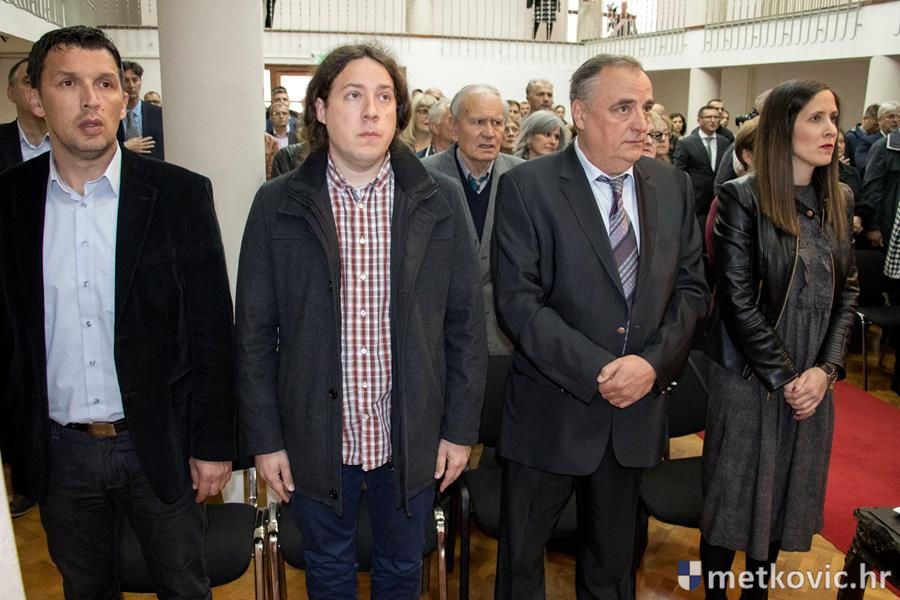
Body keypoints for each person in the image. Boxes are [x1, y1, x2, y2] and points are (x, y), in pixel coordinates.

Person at [236, 43, 487, 599]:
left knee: (402, 568)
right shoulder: (277, 204)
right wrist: (266, 439)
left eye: (384, 97)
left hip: (411, 434)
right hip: (315, 434)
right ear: (320, 109)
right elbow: (253, 336)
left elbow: (466, 327)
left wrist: (459, 431)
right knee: (327, 570)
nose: (372, 111)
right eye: (353, 96)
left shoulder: (439, 200)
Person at [0, 26, 236, 598]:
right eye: (68, 83)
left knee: (184, 586)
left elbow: (212, 331)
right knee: (85, 589)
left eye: (105, 84)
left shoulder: (179, 194)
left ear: (124, 98)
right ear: (36, 98)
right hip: (60, 451)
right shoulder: (9, 201)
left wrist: (213, 445)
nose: (91, 100)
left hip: (159, 443)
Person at [493, 53, 708, 599]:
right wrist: (601, 371)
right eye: (623, 108)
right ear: (580, 114)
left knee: (613, 570)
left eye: (645, 107)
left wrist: (650, 367)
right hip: (550, 412)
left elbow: (692, 291)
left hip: (633, 414)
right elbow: (519, 303)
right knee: (522, 567)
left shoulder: (672, 186)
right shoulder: (528, 187)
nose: (643, 123)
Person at [702, 79, 859, 600]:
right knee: (731, 501)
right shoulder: (741, 197)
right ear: (781, 127)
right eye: (816, 118)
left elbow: (847, 292)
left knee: (781, 497)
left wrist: (825, 371)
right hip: (751, 373)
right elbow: (736, 300)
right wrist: (789, 376)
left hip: (812, 374)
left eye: (833, 117)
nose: (831, 130)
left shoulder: (840, 197)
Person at [422, 83, 524, 356]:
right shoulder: (423, 177)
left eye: (497, 123)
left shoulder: (523, 177)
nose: (489, 133)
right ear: (454, 127)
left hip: (505, 339)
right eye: (478, 122)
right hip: (440, 335)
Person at [674, 105, 730, 228]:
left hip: (718, 201)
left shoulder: (725, 142)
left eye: (716, 117)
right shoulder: (686, 143)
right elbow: (678, 172)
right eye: (709, 117)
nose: (713, 120)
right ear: (699, 120)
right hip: (695, 201)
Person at [0, 58, 50, 173]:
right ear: (11, 94)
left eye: (42, 82)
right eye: (28, 82)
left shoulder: (72, 137)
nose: (37, 89)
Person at [117, 60, 164, 160]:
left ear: (140, 81)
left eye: (135, 80)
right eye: (126, 80)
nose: (131, 85)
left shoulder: (158, 113)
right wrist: (124, 146)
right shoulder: (112, 114)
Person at [854, 101, 899, 176]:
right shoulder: (867, 142)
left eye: (898, 117)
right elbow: (864, 167)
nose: (895, 120)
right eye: (891, 117)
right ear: (879, 120)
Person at [844, 103, 880, 168]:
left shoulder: (879, 138)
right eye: (875, 125)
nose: (878, 128)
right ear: (865, 118)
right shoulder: (850, 137)